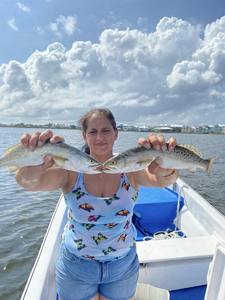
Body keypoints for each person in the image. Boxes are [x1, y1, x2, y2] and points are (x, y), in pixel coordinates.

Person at [15, 108, 179, 300]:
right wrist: (31, 169)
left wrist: (167, 170)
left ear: (116, 134)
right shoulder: (69, 167)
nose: (99, 136)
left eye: (106, 130)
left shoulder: (131, 166)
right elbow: (29, 183)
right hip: (76, 266)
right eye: (92, 131)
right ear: (84, 136)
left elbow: (161, 180)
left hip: (123, 265)